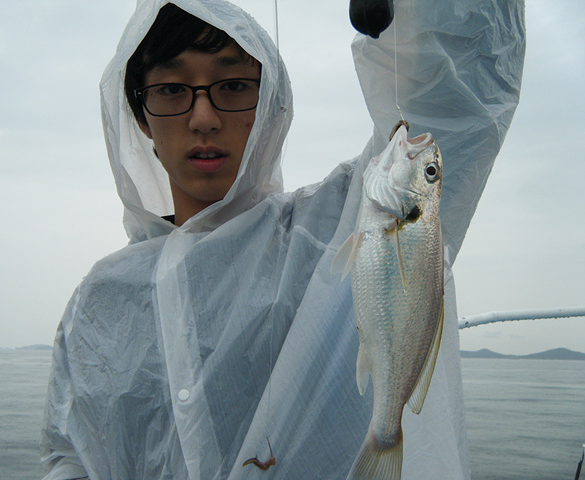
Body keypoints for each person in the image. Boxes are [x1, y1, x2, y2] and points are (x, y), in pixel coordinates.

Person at [40, 0, 525, 479]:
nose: (204, 117)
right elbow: (72, 457)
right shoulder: (98, 301)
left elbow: (463, 87)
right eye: (170, 89)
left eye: (233, 86)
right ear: (140, 117)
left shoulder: (333, 229)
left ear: (270, 103)